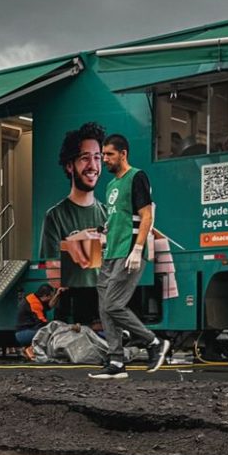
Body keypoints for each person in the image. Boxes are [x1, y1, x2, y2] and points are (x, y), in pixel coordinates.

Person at [89, 133, 170, 380]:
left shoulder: (137, 177)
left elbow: (147, 215)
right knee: (105, 307)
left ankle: (154, 342)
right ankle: (116, 360)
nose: (104, 160)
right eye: (103, 155)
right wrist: (104, 230)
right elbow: (119, 217)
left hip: (128, 251)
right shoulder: (111, 185)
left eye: (109, 155)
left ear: (123, 154)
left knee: (113, 304)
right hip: (111, 252)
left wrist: (137, 249)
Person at [39, 122, 107, 326]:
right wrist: (72, 243)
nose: (93, 166)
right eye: (85, 158)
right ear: (70, 166)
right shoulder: (55, 215)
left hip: (102, 301)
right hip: (70, 307)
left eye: (97, 157)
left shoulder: (108, 213)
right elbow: (51, 273)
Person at [15, 284, 58, 357]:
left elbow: (48, 306)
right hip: (24, 333)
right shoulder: (34, 304)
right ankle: (30, 349)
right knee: (48, 331)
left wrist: (58, 294)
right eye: (50, 296)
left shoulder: (35, 298)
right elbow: (42, 322)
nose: (51, 298)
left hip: (24, 331)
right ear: (44, 296)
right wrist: (58, 327)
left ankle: (27, 349)